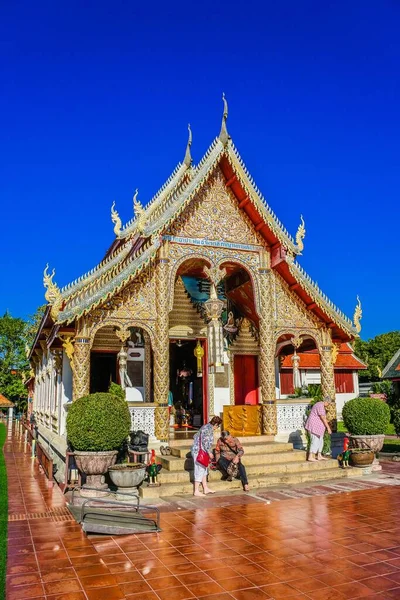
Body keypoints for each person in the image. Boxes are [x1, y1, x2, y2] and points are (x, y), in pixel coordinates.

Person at [191, 416, 222, 496]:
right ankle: (196, 490)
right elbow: (205, 442)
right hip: (199, 452)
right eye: (218, 425)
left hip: (201, 451)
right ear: (215, 424)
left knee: (204, 470)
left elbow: (195, 436)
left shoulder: (206, 427)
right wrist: (209, 452)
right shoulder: (207, 429)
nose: (217, 427)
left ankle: (205, 488)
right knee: (199, 470)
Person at [304, 397, 332, 462]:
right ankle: (310, 456)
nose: (329, 405)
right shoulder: (320, 406)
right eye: (329, 404)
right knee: (315, 440)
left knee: (320, 441)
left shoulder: (320, 405)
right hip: (314, 426)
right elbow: (323, 418)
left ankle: (319, 455)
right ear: (327, 402)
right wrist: (328, 428)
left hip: (319, 428)